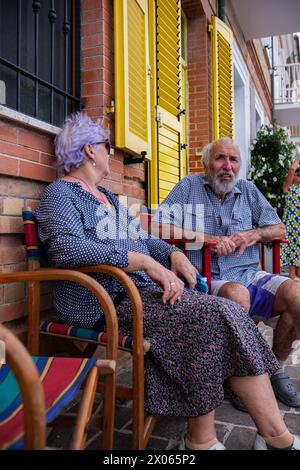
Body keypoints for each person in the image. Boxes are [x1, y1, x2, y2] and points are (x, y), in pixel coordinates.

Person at [35, 113, 300, 450]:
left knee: (225, 311)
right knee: (210, 317)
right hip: (104, 300)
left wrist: (171, 256)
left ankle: (275, 437)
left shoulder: (108, 198)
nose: (111, 153)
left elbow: (144, 239)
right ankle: (200, 440)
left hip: (138, 292)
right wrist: (144, 263)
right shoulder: (62, 194)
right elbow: (66, 248)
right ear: (89, 151)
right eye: (106, 146)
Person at [156, 137, 300, 409]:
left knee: (297, 294)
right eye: (221, 158)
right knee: (237, 296)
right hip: (208, 278)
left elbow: (280, 230)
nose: (227, 166)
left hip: (249, 274)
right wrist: (207, 239)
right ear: (207, 163)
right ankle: (241, 376)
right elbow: (158, 226)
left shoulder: (248, 190)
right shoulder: (189, 187)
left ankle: (274, 370)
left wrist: (253, 233)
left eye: (234, 160)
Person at [281, 158, 300, 280]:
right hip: (293, 230)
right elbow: (292, 171)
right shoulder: (290, 190)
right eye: (297, 174)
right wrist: (294, 166)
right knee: (293, 271)